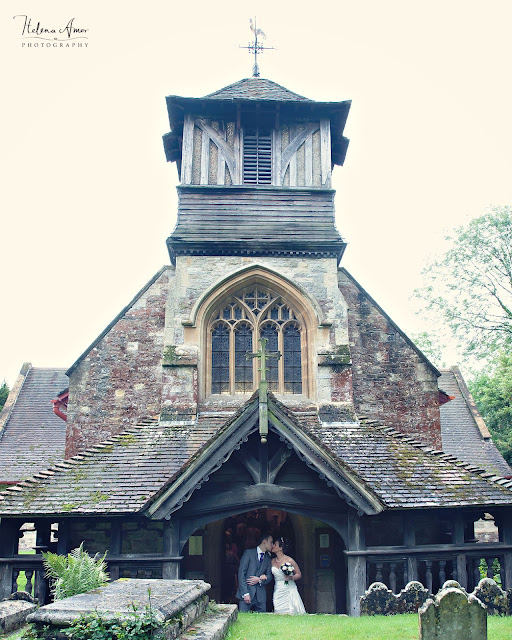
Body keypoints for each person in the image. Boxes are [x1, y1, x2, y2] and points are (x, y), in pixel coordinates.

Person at [236, 533, 273, 612]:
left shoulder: (268, 558)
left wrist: (260, 579)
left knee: (262, 622)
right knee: (243, 619)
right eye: (271, 542)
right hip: (247, 593)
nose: (272, 545)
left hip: (261, 597)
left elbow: (270, 576)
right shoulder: (248, 553)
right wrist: (245, 593)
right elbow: (241, 573)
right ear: (264, 542)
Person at [271, 537, 306, 614]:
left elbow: (299, 574)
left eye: (275, 544)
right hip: (278, 588)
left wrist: (291, 577)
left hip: (289, 587)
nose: (272, 546)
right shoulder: (272, 561)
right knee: (278, 608)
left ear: (280, 548)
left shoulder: (289, 560)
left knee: (291, 609)